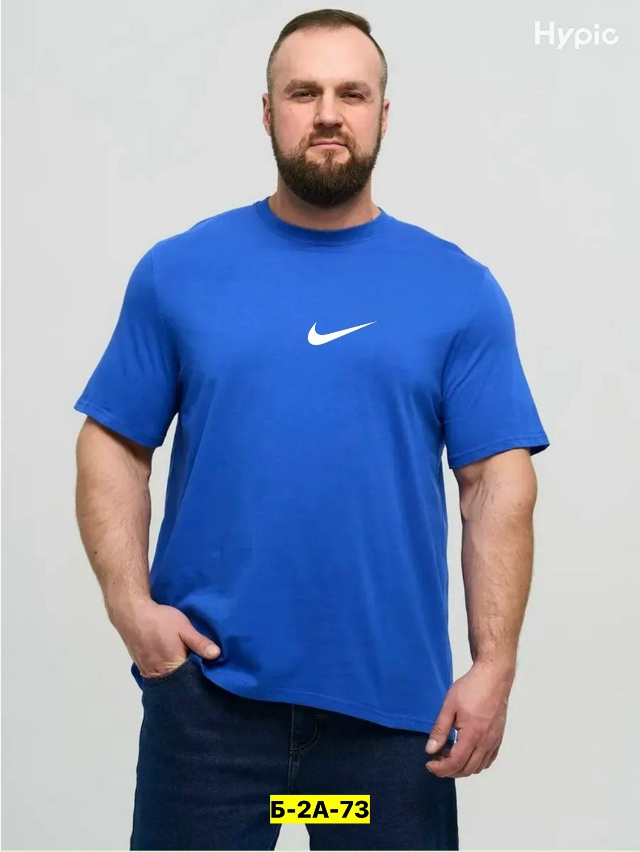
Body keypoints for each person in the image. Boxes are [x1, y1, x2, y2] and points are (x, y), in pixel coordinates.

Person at [74, 8, 550, 851]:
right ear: (268, 112)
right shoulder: (179, 272)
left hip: (388, 725)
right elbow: (113, 441)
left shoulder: (457, 289)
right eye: (304, 93)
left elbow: (495, 482)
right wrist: (131, 609)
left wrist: (493, 665)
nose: (328, 113)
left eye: (351, 94)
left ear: (382, 114)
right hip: (211, 714)